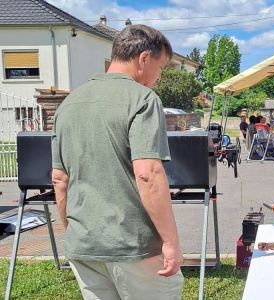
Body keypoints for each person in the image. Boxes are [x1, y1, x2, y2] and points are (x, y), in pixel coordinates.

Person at [51, 25, 184, 299]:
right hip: (133, 245)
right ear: (144, 58)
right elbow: (148, 174)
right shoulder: (143, 99)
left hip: (84, 243)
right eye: (160, 68)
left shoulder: (67, 105)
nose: (158, 78)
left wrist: (73, 232)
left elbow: (59, 179)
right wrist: (171, 242)